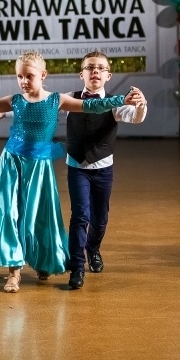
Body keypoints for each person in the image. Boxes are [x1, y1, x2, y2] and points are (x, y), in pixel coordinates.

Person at [0, 51, 143, 293]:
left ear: (43, 75)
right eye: (20, 76)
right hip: (12, 164)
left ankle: (43, 260)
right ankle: (14, 272)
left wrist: (121, 99)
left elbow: (92, 105)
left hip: (39, 168)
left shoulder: (57, 100)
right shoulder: (15, 100)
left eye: (29, 76)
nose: (24, 81)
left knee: (40, 216)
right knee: (11, 214)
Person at [64, 52, 147, 290]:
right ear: (81, 74)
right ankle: (77, 267)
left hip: (102, 169)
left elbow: (136, 118)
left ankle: (93, 249)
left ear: (108, 76)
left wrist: (141, 105)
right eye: (90, 67)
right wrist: (4, 112)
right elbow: (39, 105)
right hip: (77, 167)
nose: (95, 71)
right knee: (80, 216)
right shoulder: (68, 99)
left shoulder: (115, 103)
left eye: (101, 68)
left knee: (100, 220)